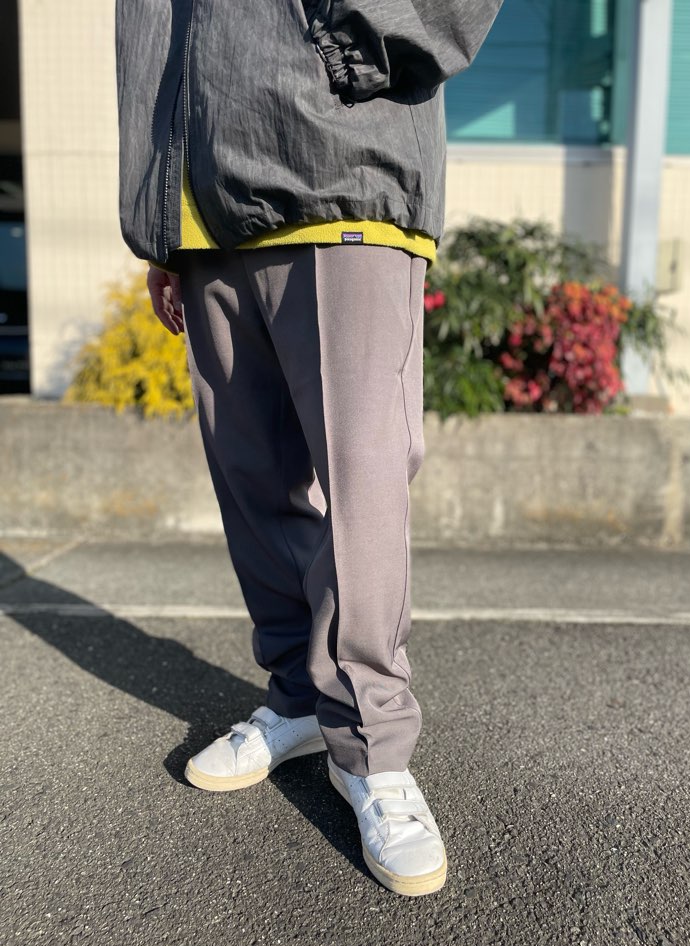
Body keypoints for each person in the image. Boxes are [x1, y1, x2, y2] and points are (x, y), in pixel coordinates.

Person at [116, 0, 503, 897]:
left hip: (339, 162)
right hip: (203, 208)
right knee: (251, 476)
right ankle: (296, 694)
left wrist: (345, 49)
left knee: (363, 479)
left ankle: (374, 743)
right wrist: (160, 214)